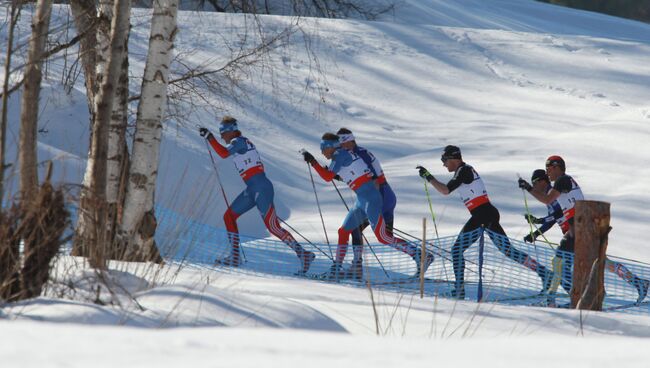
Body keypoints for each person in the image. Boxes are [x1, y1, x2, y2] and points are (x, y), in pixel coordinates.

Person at [418, 145, 552, 299]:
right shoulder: (463, 171)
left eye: (444, 160)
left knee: (458, 250)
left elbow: (445, 190)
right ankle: (544, 273)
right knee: (507, 251)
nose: (443, 164)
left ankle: (459, 291)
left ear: (453, 158)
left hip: (483, 215)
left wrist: (429, 176)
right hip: (483, 214)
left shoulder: (464, 170)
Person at [302, 133, 433, 279]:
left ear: (330, 147)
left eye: (323, 149)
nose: (322, 152)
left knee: (383, 237)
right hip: (361, 200)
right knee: (343, 231)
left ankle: (422, 256)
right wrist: (324, 169)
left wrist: (313, 162)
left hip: (371, 199)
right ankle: (336, 268)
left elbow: (327, 177)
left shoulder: (340, 155)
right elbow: (345, 174)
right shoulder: (341, 156)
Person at [520, 161, 649, 303]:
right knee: (599, 261)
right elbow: (552, 208)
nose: (547, 172)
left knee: (559, 262)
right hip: (582, 228)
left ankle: (556, 299)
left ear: (556, 168)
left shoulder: (561, 182)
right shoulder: (560, 184)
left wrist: (529, 189)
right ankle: (638, 283)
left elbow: (552, 208)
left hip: (578, 228)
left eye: (548, 169)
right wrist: (537, 230)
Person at [199, 116, 315, 275]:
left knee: (273, 227)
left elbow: (224, 154)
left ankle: (304, 254)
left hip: (261, 188)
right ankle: (234, 256)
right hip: (253, 189)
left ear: (230, 131)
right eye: (219, 135)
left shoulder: (238, 141)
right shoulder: (238, 142)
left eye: (222, 134)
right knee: (229, 216)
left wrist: (210, 137)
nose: (222, 137)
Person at [336, 128, 398, 279]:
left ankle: (421, 257)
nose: (342, 148)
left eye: (343, 144)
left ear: (351, 141)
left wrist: (370, 202)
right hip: (380, 196)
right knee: (360, 230)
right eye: (340, 146)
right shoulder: (354, 155)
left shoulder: (360, 154)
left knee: (385, 237)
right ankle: (357, 266)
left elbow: (373, 181)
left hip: (381, 196)